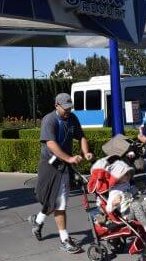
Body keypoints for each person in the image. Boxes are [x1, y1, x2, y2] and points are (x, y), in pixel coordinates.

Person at [28, 93, 94, 254]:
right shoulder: (49, 120)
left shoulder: (72, 118)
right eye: (65, 108)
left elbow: (81, 137)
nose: (68, 111)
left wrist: (86, 153)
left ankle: (60, 237)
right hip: (49, 165)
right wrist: (70, 158)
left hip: (64, 166)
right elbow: (50, 144)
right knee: (52, 200)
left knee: (60, 202)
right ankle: (39, 222)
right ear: (56, 105)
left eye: (70, 108)